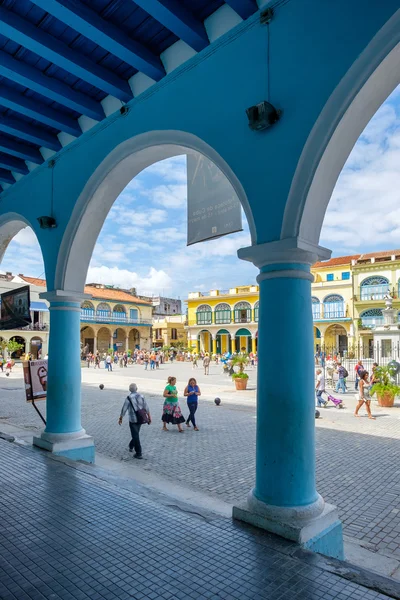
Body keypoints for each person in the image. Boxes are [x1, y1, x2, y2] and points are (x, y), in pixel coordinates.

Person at [118, 383, 151, 459]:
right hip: (141, 418)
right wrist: (149, 417)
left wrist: (120, 418)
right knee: (136, 433)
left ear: (130, 390)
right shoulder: (142, 396)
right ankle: (131, 445)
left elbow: (124, 409)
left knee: (135, 435)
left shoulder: (129, 398)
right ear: (137, 388)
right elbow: (146, 407)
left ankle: (138, 453)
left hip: (133, 419)